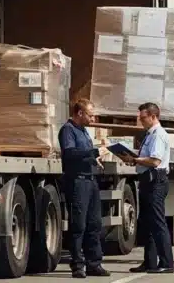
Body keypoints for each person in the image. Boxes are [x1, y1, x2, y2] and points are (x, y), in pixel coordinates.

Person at [117, 102, 174, 274]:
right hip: (148, 181)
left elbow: (155, 161)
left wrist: (135, 160)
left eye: (143, 118)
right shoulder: (150, 135)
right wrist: (134, 159)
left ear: (153, 116)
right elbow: (147, 158)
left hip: (155, 181)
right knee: (148, 223)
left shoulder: (158, 135)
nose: (140, 121)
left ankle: (166, 263)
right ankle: (150, 262)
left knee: (157, 222)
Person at [58, 99, 110, 278]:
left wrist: (94, 160)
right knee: (78, 224)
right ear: (80, 113)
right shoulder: (68, 130)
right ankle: (77, 265)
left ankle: (94, 263)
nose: (93, 118)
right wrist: (94, 152)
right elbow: (70, 153)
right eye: (90, 115)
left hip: (90, 180)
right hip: (77, 181)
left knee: (94, 224)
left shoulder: (83, 131)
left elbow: (83, 156)